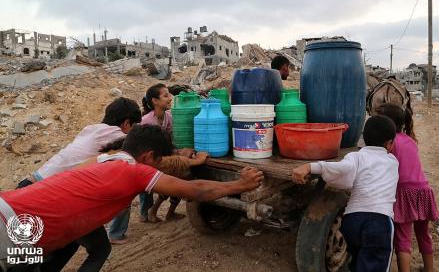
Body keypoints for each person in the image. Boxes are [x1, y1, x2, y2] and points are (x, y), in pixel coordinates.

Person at [0, 125, 263, 272]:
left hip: (14, 210)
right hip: (13, 228)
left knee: (86, 248)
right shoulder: (133, 171)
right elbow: (195, 191)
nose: (159, 166)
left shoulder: (103, 158)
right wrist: (241, 184)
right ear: (148, 157)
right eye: (159, 161)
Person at [292, 115, 399, 272]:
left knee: (358, 260)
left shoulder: (356, 156)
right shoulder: (393, 162)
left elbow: (341, 169)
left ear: (363, 138)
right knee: (374, 263)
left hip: (352, 221)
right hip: (379, 222)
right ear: (390, 144)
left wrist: (310, 167)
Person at [17, 97, 142, 187]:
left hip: (34, 179)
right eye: (134, 125)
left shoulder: (91, 128)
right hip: (44, 189)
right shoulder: (116, 135)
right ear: (126, 123)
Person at [376, 103, 439, 272]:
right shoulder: (410, 140)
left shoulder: (389, 143)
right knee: (423, 235)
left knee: (403, 239)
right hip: (424, 191)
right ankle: (429, 269)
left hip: (404, 194)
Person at [139, 83, 194, 223]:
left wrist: (179, 151)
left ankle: (167, 212)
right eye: (165, 95)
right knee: (179, 175)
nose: (170, 98)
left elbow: (170, 142)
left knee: (183, 173)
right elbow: (146, 149)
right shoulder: (146, 121)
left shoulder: (168, 117)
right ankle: (154, 211)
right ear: (155, 101)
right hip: (148, 161)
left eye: (169, 94)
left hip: (161, 157)